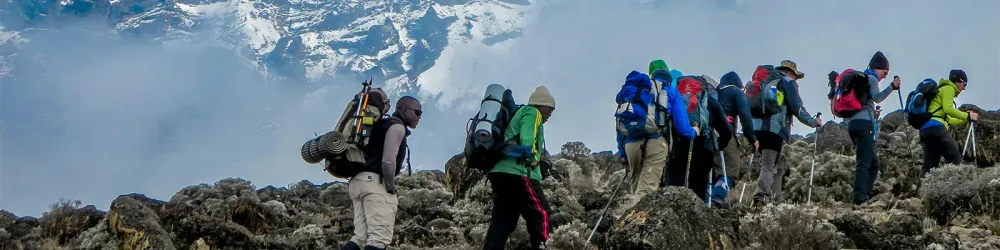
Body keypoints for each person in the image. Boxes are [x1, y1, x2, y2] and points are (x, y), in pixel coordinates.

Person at [614, 61, 699, 212]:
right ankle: (636, 224)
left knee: (636, 186)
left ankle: (629, 221)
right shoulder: (669, 91)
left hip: (631, 143)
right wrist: (694, 131)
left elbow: (619, 126)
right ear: (668, 75)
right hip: (656, 141)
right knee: (647, 188)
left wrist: (622, 153)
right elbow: (682, 126)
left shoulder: (636, 92)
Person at [344, 96, 422, 250]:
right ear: (405, 111)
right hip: (375, 184)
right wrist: (389, 186)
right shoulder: (397, 127)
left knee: (360, 237)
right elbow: (388, 161)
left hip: (357, 181)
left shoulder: (380, 123)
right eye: (417, 112)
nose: (419, 117)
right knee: (379, 239)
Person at [483, 86, 557, 250]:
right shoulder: (532, 113)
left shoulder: (518, 113)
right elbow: (527, 141)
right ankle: (546, 247)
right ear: (540, 105)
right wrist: (534, 161)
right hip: (519, 172)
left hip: (499, 172)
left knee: (503, 220)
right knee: (540, 213)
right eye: (550, 108)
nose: (551, 112)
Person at [751, 60, 822, 206]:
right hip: (774, 129)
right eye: (796, 76)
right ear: (791, 73)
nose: (796, 79)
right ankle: (760, 198)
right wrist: (813, 122)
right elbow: (797, 108)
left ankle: (776, 200)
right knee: (769, 164)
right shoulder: (788, 82)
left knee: (778, 165)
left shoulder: (767, 82)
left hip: (756, 129)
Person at [663, 75, 732, 201]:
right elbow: (726, 131)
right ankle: (697, 213)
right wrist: (719, 145)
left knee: (674, 184)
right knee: (698, 186)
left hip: (678, 147)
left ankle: (671, 209)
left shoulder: (676, 98)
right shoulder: (711, 102)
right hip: (704, 148)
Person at [847, 51, 901, 205]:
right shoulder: (871, 79)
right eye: (885, 72)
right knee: (864, 163)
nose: (885, 76)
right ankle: (859, 198)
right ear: (878, 68)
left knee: (873, 163)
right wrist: (892, 86)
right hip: (864, 125)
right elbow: (877, 97)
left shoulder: (862, 80)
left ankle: (864, 194)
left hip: (853, 124)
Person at [917, 70, 978, 188]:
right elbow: (948, 109)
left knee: (930, 164)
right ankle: (956, 189)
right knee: (955, 158)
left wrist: (965, 118)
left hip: (925, 130)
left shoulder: (940, 91)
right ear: (958, 82)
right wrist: (968, 115)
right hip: (936, 128)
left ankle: (919, 195)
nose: (964, 88)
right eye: (964, 84)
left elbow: (948, 119)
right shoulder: (948, 88)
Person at [710, 71, 758, 207]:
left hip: (706, 135)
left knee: (711, 171)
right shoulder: (736, 92)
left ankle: (705, 200)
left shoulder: (714, 92)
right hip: (725, 135)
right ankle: (716, 200)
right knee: (730, 172)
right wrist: (752, 138)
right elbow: (745, 116)